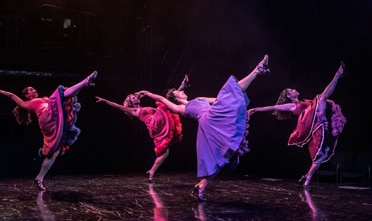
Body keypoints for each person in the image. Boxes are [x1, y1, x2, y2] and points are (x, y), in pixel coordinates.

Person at [135, 55, 269, 201]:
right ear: (175, 97)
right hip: (209, 123)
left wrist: (232, 103)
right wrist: (147, 93)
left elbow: (219, 99)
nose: (182, 90)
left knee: (223, 158)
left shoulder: (197, 99)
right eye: (179, 91)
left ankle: (202, 186)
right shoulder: (181, 108)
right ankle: (257, 70)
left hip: (215, 115)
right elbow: (162, 99)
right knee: (230, 91)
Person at [0, 70, 98, 190]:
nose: (34, 90)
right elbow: (11, 95)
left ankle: (39, 178)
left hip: (52, 118)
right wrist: (0, 91)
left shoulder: (45, 99)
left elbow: (68, 95)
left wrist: (82, 87)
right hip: (46, 117)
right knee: (59, 92)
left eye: (34, 89)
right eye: (31, 90)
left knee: (54, 152)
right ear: (26, 95)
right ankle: (85, 81)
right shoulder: (27, 103)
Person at [248, 62, 346, 186]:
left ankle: (308, 177)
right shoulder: (291, 105)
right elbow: (272, 106)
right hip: (310, 122)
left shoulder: (304, 101)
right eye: (291, 90)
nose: (294, 89)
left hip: (317, 123)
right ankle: (338, 75)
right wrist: (255, 109)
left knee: (322, 154)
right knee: (322, 97)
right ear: (289, 95)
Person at [95, 76, 188, 183]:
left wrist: (142, 94)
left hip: (160, 125)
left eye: (134, 96)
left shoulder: (145, 108)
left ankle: (151, 172)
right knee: (165, 102)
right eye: (132, 98)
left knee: (165, 153)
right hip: (155, 124)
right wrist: (105, 101)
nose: (134, 97)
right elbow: (118, 106)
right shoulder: (134, 111)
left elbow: (158, 111)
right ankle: (181, 88)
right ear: (129, 102)